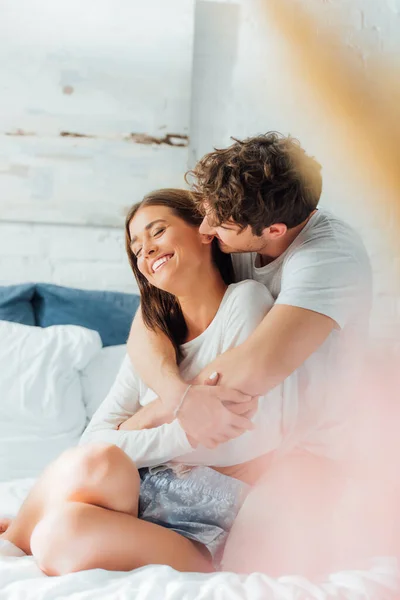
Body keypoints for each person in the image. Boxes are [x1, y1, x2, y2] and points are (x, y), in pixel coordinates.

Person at [0, 189, 283, 575]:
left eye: (157, 232)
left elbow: (227, 434)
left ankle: (21, 533)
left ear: (204, 231)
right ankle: (12, 543)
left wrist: (133, 428)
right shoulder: (152, 337)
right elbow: (94, 442)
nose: (145, 250)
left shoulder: (245, 301)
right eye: (136, 247)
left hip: (199, 522)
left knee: (57, 534)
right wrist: (168, 407)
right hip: (129, 496)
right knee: (99, 462)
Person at [128, 132, 372, 460]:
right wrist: (177, 397)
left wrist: (143, 422)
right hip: (251, 443)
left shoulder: (330, 258)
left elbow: (255, 365)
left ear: (274, 232)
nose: (204, 229)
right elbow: (151, 315)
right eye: (205, 211)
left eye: (219, 225)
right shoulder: (235, 215)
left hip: (315, 451)